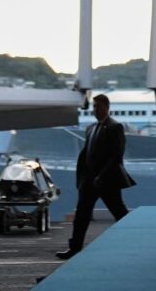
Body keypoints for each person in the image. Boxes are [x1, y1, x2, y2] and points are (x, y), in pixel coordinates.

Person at [56, 94, 135, 260]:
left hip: (107, 181)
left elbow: (116, 156)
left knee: (119, 213)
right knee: (81, 216)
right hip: (89, 181)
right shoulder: (91, 128)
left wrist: (101, 176)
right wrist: (83, 178)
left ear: (107, 107)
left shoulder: (115, 127)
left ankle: (134, 243)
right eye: (94, 106)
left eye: (98, 106)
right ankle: (74, 248)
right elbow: (86, 154)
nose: (94, 109)